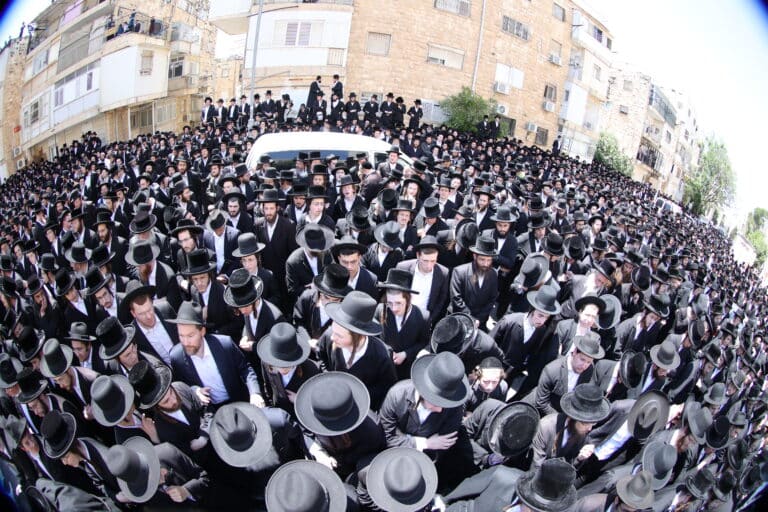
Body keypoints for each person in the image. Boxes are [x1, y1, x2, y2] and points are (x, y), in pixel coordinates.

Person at [169, 301, 265, 409]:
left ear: (202, 331)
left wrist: (255, 393)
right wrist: (195, 390)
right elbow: (181, 386)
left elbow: (245, 369)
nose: (185, 342)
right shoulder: (176, 358)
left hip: (239, 403)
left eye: (190, 336)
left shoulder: (224, 344)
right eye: (181, 336)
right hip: (211, 411)